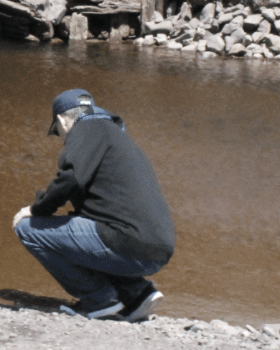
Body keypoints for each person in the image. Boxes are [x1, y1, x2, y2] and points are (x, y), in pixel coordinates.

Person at [12, 89, 174, 322]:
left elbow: (71, 179)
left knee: (28, 229)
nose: (62, 139)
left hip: (130, 243)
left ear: (62, 121)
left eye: (58, 133)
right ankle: (137, 293)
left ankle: (99, 301)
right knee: (82, 223)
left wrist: (36, 210)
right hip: (157, 248)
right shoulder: (114, 136)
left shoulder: (85, 128)